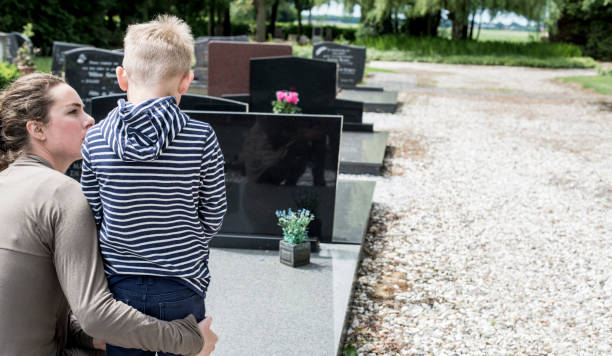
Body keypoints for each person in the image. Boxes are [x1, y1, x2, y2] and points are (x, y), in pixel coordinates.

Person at [0, 72, 217, 355]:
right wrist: (191, 340)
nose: (89, 120)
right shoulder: (63, 193)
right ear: (37, 129)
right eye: (73, 112)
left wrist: (88, 338)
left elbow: (26, 310)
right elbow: (97, 316)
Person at [80, 15, 227, 356]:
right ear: (186, 81)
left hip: (119, 288)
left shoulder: (96, 138)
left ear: (122, 77)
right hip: (183, 283)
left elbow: (93, 215)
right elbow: (214, 215)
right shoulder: (200, 137)